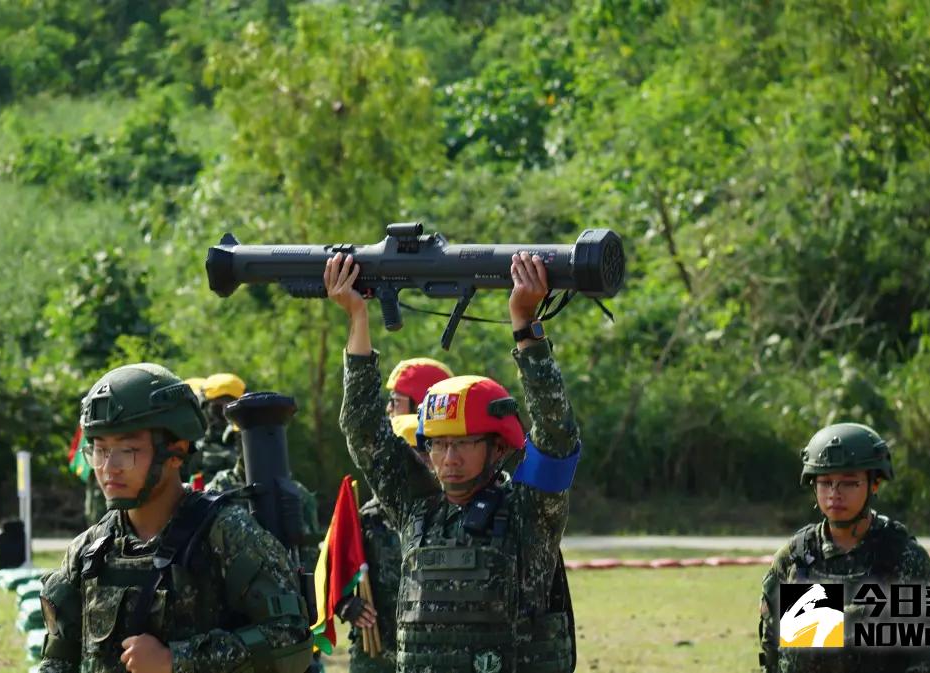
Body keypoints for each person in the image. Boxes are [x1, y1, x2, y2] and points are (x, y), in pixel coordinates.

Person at [328, 251, 580, 673]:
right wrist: (357, 317)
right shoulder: (416, 508)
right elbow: (363, 428)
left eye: (463, 444)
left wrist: (525, 323)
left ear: (497, 448)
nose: (448, 459)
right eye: (439, 445)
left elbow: (557, 436)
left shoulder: (530, 513)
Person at [37, 363, 314, 673]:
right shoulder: (90, 551)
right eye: (99, 451)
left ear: (176, 451)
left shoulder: (227, 534)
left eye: (127, 450)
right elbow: (58, 659)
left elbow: (291, 638)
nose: (109, 468)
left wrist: (176, 660)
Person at [758, 423, 930, 673]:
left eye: (849, 483)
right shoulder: (797, 558)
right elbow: (772, 651)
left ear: (874, 484)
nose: (834, 494)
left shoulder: (902, 557)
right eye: (825, 482)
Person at [337, 359, 452, 672]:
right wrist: (346, 603)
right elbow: (336, 572)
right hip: (379, 655)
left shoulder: (457, 510)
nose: (389, 410)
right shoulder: (369, 517)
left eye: (396, 401)